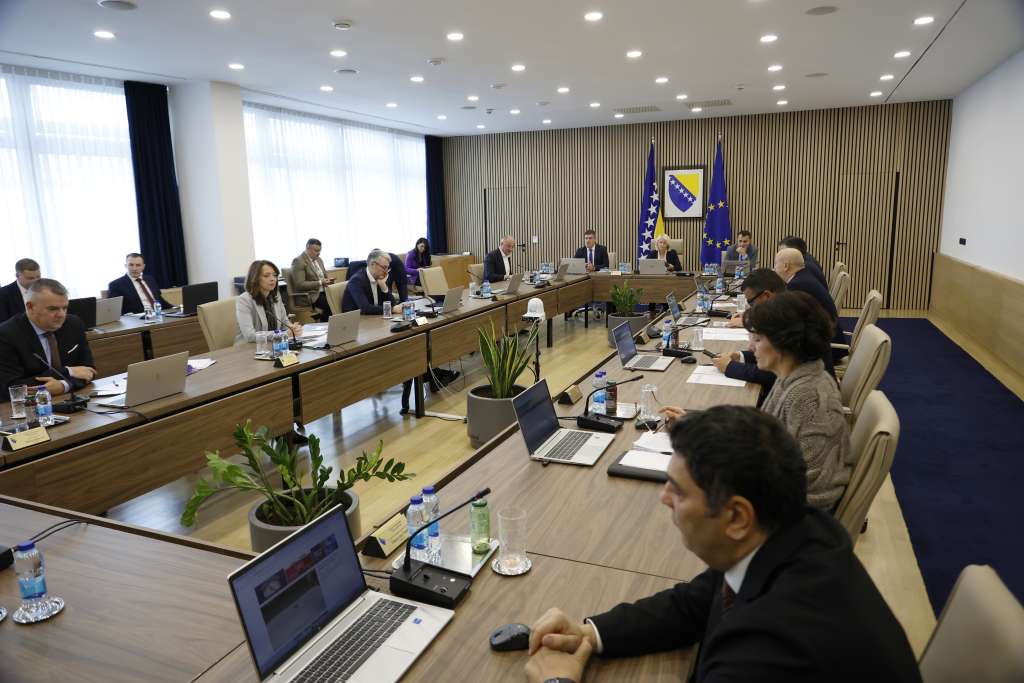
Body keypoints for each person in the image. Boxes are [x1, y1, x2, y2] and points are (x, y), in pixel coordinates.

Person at [524, 406, 920, 683]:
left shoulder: (769, 649)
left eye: (678, 490)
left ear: (737, 517)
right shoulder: (795, 531)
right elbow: (695, 603)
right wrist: (590, 634)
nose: (664, 498)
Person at [0, 278, 96, 399]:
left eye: (64, 308)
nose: (61, 314)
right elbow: (12, 387)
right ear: (30, 307)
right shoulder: (6, 335)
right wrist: (68, 372)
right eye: (53, 309)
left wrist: (63, 385)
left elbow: (88, 371)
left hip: (70, 399)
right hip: (27, 405)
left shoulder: (73, 324)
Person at [713, 268, 786, 406]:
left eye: (751, 303)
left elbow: (772, 373)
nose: (752, 347)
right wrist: (740, 356)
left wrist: (730, 367)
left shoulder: (788, 318)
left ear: (766, 296)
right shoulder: (783, 309)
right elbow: (773, 354)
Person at [774, 247, 846, 358]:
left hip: (827, 349)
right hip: (827, 340)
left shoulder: (797, 285)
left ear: (785, 266)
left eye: (775, 264)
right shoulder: (803, 277)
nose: (774, 268)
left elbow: (787, 320)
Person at [235, 260, 302, 345]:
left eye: (275, 275)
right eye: (266, 276)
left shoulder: (276, 296)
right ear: (255, 278)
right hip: (248, 348)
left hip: (273, 345)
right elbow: (250, 335)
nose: (272, 279)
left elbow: (284, 322)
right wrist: (281, 334)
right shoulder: (244, 300)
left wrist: (292, 328)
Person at [107, 253, 174, 315]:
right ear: (125, 266)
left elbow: (159, 300)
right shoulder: (116, 285)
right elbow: (114, 310)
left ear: (143, 267)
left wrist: (175, 308)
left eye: (138, 265)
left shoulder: (150, 279)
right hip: (137, 319)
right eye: (131, 265)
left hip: (158, 315)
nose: (134, 268)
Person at [290, 238, 334, 323]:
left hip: (324, 292)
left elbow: (324, 276)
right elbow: (300, 284)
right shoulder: (299, 261)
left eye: (320, 250)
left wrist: (328, 281)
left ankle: (329, 324)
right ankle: (327, 327)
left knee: (339, 300)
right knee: (329, 306)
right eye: (316, 250)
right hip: (309, 295)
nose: (318, 253)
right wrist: (320, 282)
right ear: (307, 247)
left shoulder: (319, 260)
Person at [0, 258, 42, 324]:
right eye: (30, 278)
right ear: (17, 276)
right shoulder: (3, 294)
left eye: (38, 277)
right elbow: (3, 324)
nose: (36, 281)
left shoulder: (45, 289)